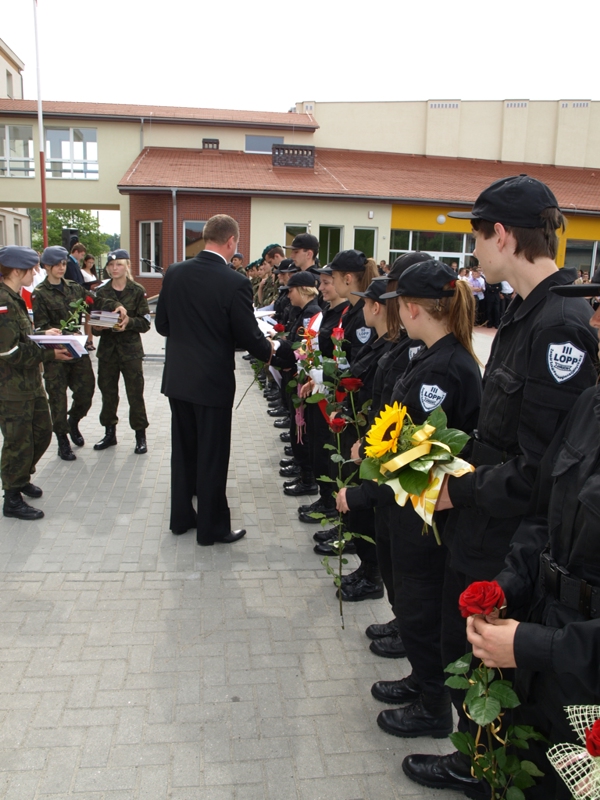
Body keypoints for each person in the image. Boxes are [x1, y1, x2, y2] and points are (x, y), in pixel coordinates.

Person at [402, 174, 600, 796]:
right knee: (467, 650)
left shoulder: (560, 325)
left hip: (510, 532)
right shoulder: (525, 312)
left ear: (504, 235)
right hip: (493, 526)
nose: (474, 251)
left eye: (477, 236)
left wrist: (459, 490)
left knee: (484, 664)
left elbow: (544, 470)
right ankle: (475, 759)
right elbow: (504, 437)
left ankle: (478, 766)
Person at [466, 278, 600, 800]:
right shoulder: (589, 406)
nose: (595, 323)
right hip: (545, 643)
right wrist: (507, 585)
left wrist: (531, 645)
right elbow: (544, 515)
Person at [155, 214, 295, 546]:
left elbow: (162, 325)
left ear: (206, 237)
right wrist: (276, 353)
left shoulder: (174, 272)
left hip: (178, 379)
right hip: (212, 382)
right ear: (231, 241)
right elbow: (248, 335)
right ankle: (213, 529)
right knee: (212, 455)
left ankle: (181, 519)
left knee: (184, 451)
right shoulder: (234, 282)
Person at [0, 246, 73, 521]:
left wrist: (43, 334)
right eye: (31, 269)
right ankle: (12, 497)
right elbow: (9, 351)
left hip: (30, 384)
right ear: (16, 271)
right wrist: (50, 353)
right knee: (18, 442)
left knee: (42, 433)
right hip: (11, 389)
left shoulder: (15, 297)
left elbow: (21, 337)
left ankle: (20, 477)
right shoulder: (3, 302)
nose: (35, 273)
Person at [32, 245, 96, 461]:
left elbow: (94, 302)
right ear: (46, 266)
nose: (61, 268)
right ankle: (62, 439)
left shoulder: (74, 288)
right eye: (56, 264)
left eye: (63, 264)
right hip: (55, 354)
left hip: (76, 350)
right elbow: (41, 327)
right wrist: (58, 333)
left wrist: (115, 305)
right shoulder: (39, 294)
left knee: (86, 391)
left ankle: (73, 421)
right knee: (57, 399)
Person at [92, 249, 151, 455]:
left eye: (118, 264)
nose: (114, 268)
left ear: (127, 266)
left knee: (135, 394)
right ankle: (110, 433)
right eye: (110, 265)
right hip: (108, 351)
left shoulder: (137, 290)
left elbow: (146, 322)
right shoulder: (101, 292)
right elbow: (95, 324)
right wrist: (97, 328)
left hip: (130, 351)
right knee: (108, 394)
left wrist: (129, 322)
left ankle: (140, 435)